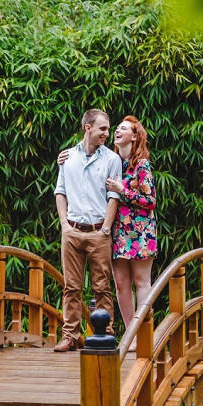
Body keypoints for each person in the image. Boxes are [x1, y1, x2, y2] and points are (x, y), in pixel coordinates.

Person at [59, 115, 157, 343]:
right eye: (114, 128)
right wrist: (64, 159)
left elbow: (151, 200)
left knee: (141, 282)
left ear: (134, 136)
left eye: (121, 128)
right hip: (117, 231)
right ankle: (130, 338)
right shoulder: (113, 160)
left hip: (140, 232)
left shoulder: (141, 164)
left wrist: (122, 190)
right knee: (121, 284)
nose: (114, 132)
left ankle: (144, 338)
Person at [52, 109, 121, 352]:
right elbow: (60, 190)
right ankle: (70, 336)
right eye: (103, 128)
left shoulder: (112, 159)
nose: (107, 133)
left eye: (108, 129)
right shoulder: (67, 157)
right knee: (71, 287)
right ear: (88, 128)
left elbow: (114, 196)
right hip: (71, 230)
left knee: (102, 287)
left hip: (98, 232)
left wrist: (105, 229)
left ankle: (106, 334)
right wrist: (63, 224)